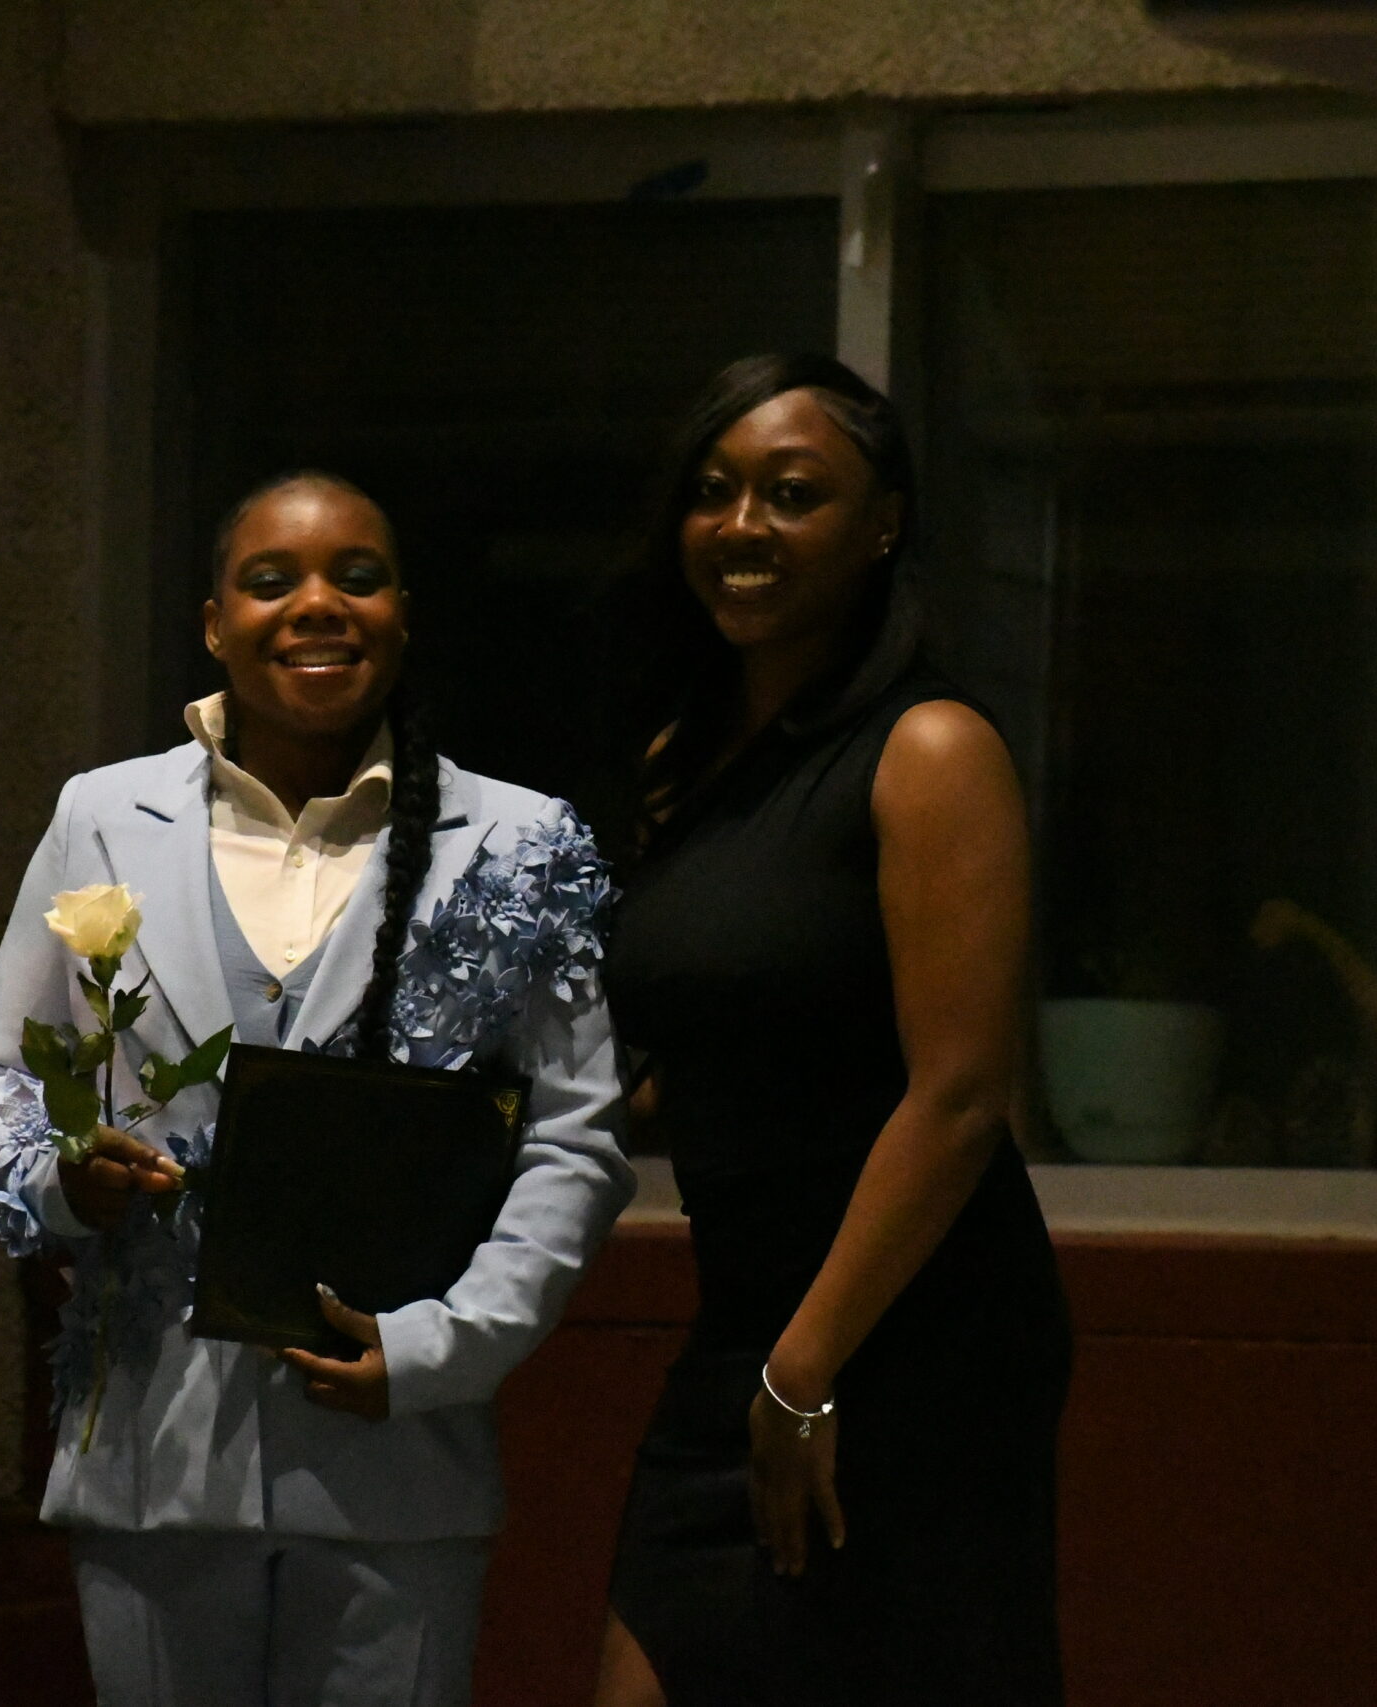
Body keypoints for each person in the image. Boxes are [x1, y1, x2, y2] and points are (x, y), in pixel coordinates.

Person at [0, 470, 632, 1707]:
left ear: (403, 612)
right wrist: (56, 1178)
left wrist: (439, 1346)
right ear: (215, 622)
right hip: (152, 1458)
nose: (317, 605)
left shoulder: (521, 843)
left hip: (397, 1461)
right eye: (273, 582)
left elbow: (575, 1143)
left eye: (355, 578)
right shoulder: (102, 816)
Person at [595, 355, 1072, 1706]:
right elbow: (731, 1042)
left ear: (882, 525)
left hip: (905, 1332)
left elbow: (962, 1093)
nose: (743, 525)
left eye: (793, 493)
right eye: (715, 491)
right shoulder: (686, 760)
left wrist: (806, 1365)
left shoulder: (928, 749)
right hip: (747, 1315)